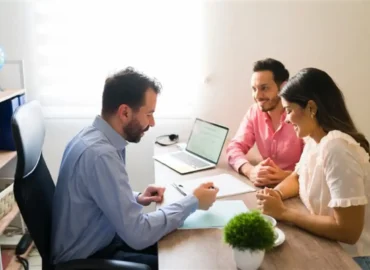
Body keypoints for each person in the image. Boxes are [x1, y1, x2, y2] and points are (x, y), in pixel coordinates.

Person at [51, 67, 219, 269]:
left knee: (179, 244)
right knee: (180, 261)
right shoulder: (101, 154)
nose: (152, 122)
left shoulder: (92, 136)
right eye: (149, 114)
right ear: (124, 112)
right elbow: (138, 235)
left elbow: (94, 193)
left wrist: (135, 197)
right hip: (87, 256)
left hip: (99, 237)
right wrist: (193, 202)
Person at [256, 68, 370, 269]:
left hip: (353, 258)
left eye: (289, 110)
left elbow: (348, 232)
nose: (287, 119)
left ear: (311, 108)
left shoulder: (337, 148)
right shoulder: (314, 139)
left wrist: (284, 213)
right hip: (326, 244)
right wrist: (275, 194)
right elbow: (298, 177)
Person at [226, 58, 304, 187]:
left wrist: (286, 175)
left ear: (284, 87)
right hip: (266, 187)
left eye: (264, 88)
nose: (257, 96)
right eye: (254, 89)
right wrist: (250, 171)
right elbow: (234, 147)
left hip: (299, 189)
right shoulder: (254, 112)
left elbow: (316, 167)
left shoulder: (301, 115)